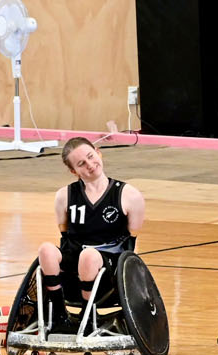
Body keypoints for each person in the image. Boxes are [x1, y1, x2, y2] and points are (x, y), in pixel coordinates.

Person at [37, 137, 146, 328]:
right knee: (45, 249)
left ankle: (88, 314)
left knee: (88, 256)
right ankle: (58, 310)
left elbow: (131, 241)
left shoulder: (129, 195)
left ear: (98, 152)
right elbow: (65, 234)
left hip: (109, 266)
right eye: (81, 164)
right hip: (76, 258)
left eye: (90, 156)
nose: (90, 165)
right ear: (74, 171)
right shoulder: (64, 195)